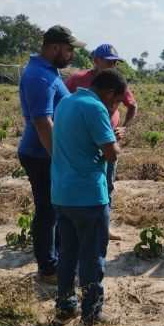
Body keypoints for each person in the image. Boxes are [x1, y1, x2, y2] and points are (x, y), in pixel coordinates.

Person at [51, 69, 127, 326]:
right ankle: (92, 315)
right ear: (109, 93)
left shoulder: (66, 102)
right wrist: (115, 140)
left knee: (67, 253)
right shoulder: (95, 108)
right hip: (88, 196)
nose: (114, 108)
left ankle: (65, 307)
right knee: (93, 257)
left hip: (61, 194)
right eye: (116, 102)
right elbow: (111, 154)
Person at [17, 25, 86, 285]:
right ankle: (48, 268)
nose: (71, 55)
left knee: (55, 209)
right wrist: (60, 158)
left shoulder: (49, 72)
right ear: (54, 48)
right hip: (41, 154)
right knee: (47, 211)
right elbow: (43, 121)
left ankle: (57, 259)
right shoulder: (40, 77)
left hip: (46, 153)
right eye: (68, 49)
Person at [65, 43, 138, 241]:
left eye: (115, 62)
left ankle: (103, 226)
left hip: (107, 141)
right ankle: (78, 227)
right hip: (82, 144)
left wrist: (125, 127)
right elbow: (61, 102)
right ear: (96, 60)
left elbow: (132, 106)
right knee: (82, 183)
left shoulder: (117, 81)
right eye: (109, 61)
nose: (112, 65)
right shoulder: (78, 80)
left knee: (107, 184)